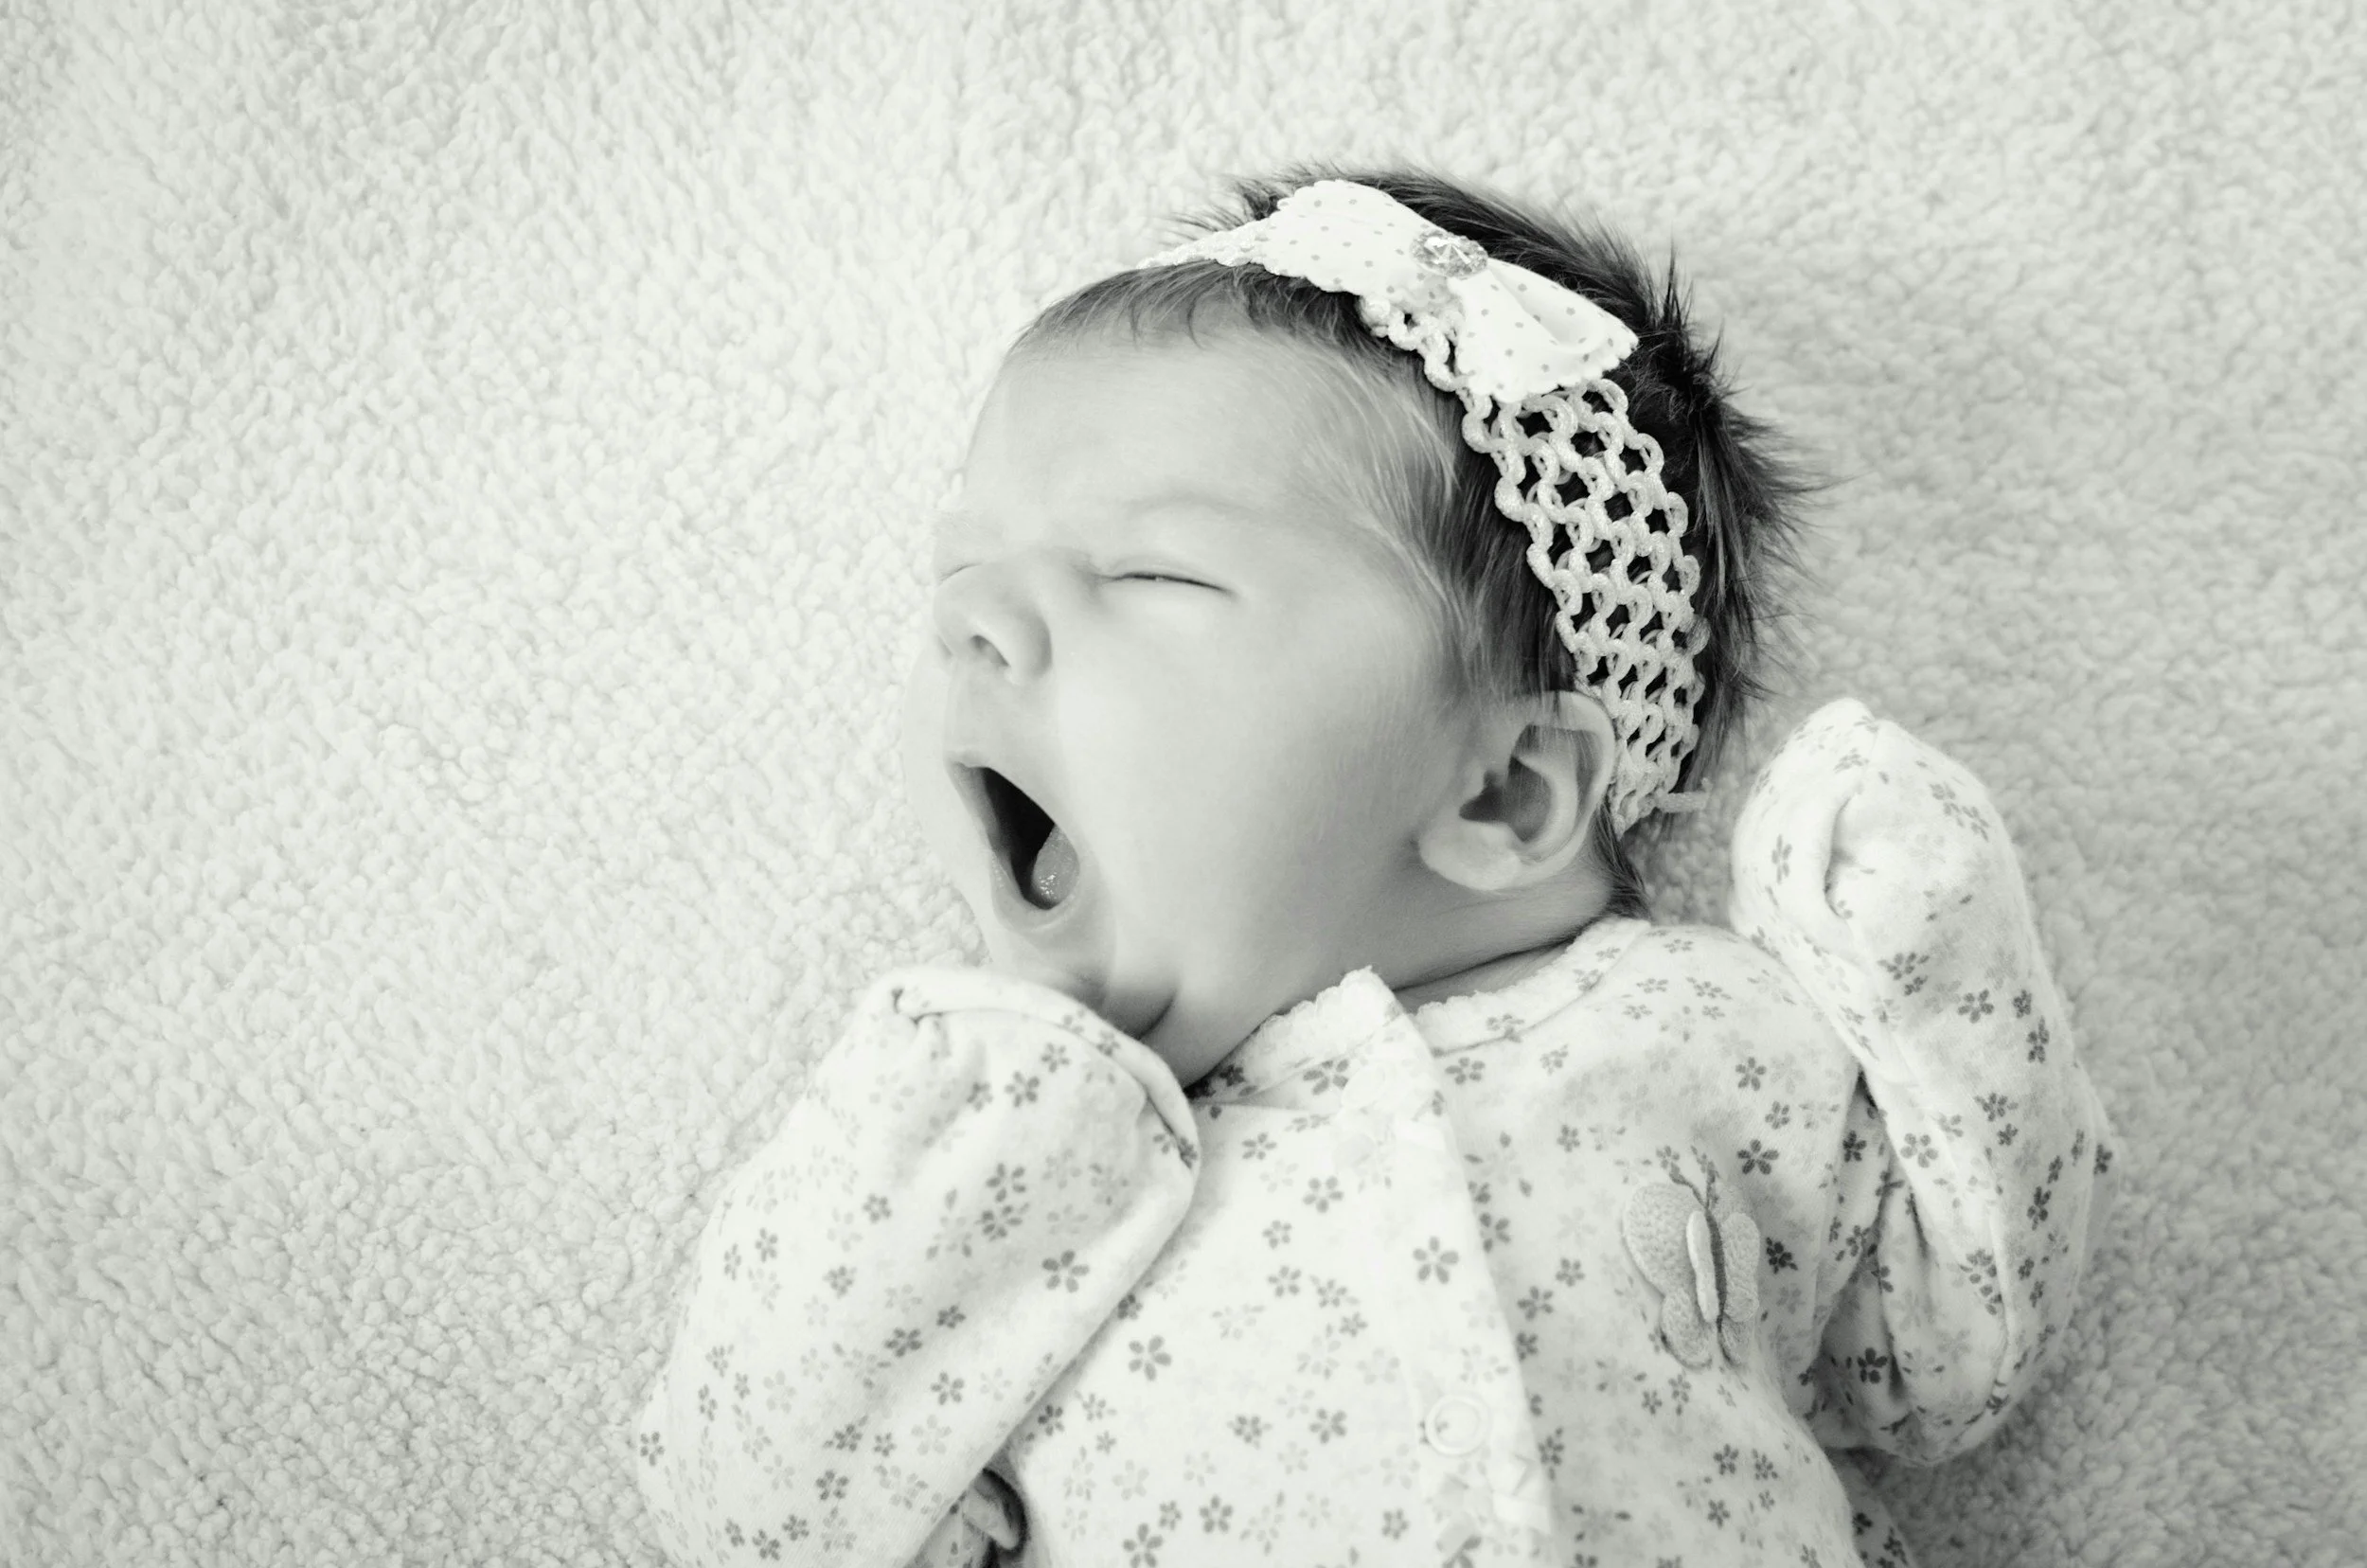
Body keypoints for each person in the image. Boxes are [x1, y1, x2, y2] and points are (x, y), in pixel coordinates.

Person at [632, 168, 2114, 1567]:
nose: (977, 631)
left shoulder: (1708, 1032)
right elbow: (757, 1516)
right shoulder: (1017, 1171)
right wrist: (1001, 1088)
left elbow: (1938, 1358)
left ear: (1507, 789)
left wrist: (1934, 971)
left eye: (1153, 576)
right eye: (959, 584)